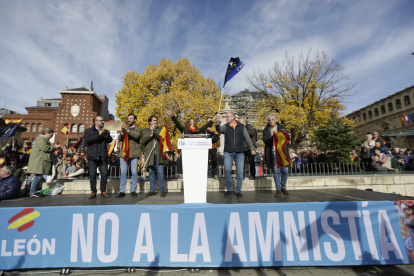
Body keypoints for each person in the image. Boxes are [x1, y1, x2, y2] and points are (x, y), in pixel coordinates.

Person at [215, 112, 254, 197]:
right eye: (226, 117)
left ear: (233, 117)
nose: (226, 118)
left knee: (240, 172)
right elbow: (218, 130)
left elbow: (247, 138)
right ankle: (229, 189)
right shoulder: (225, 126)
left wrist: (252, 148)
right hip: (228, 152)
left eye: (228, 117)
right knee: (228, 170)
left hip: (239, 152)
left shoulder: (241, 126)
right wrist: (217, 122)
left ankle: (238, 190)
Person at [165, 109, 214, 175]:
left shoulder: (197, 131)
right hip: (186, 152)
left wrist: (213, 119)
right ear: (188, 123)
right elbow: (177, 123)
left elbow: (205, 126)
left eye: (193, 122)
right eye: (191, 122)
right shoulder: (184, 130)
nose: (192, 123)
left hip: (195, 152)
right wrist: (172, 116)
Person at [84, 116, 113, 199]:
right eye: (101, 121)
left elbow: (110, 140)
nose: (102, 122)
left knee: (104, 174)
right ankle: (93, 192)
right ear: (95, 122)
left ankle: (103, 191)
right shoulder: (88, 131)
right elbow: (88, 140)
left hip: (102, 156)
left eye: (103, 120)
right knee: (92, 175)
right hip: (92, 157)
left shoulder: (105, 131)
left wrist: (104, 134)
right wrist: (99, 134)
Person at [26, 128, 60, 197]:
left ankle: (33, 192)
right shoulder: (41, 139)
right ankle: (32, 192)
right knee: (37, 176)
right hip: (39, 160)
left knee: (38, 176)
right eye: (51, 135)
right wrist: (54, 147)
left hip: (40, 159)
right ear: (47, 133)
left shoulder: (42, 139)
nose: (51, 136)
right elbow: (45, 148)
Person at [262, 115, 290, 197]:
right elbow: (265, 140)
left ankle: (283, 187)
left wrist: (280, 134)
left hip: (282, 152)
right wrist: (273, 137)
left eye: (272, 119)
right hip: (273, 152)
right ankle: (278, 189)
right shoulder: (266, 130)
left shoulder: (282, 128)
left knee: (285, 170)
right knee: (276, 171)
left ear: (276, 120)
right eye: (269, 120)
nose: (271, 121)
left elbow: (287, 138)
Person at [117, 113, 142, 198]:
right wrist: (122, 131)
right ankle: (122, 191)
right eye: (128, 118)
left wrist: (127, 130)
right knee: (123, 172)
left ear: (135, 120)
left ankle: (133, 190)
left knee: (134, 172)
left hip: (134, 153)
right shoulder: (124, 129)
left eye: (131, 118)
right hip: (124, 153)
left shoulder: (138, 129)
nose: (129, 120)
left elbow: (137, 136)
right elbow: (119, 138)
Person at [141, 115, 167, 197]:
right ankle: (152, 190)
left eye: (156, 120)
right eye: (154, 120)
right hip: (149, 153)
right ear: (150, 122)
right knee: (151, 172)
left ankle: (162, 190)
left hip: (159, 153)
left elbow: (161, 139)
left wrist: (155, 133)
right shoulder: (144, 131)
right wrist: (151, 135)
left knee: (160, 172)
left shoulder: (161, 130)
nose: (156, 121)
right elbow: (143, 142)